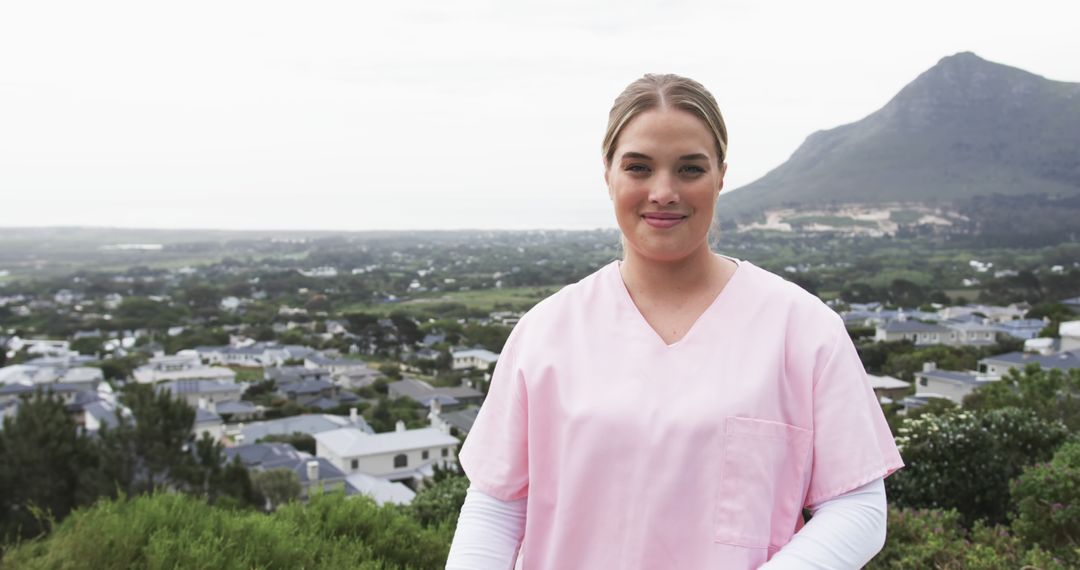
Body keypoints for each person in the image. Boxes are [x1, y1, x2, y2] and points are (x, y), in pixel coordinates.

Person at [445, 73, 904, 569]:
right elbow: (496, 508)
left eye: (690, 169)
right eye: (639, 167)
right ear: (608, 174)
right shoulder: (545, 333)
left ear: (721, 176)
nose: (663, 192)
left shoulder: (804, 330)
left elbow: (856, 507)